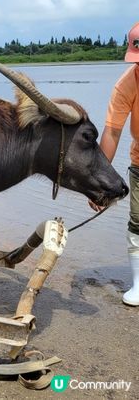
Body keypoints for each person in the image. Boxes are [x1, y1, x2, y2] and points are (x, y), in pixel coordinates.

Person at [90, 22, 139, 306]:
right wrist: (99, 184)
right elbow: (112, 131)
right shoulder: (127, 83)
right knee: (138, 220)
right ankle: (138, 284)